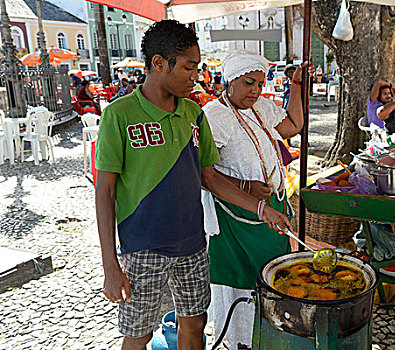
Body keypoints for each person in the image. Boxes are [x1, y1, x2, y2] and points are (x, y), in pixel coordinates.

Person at [94, 21, 292, 350]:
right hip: (143, 247)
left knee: (195, 323)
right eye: (188, 67)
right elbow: (105, 191)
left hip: (192, 244)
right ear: (159, 63)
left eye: (197, 68)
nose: (195, 76)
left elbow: (209, 177)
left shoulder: (193, 114)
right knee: (139, 333)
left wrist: (262, 209)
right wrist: (110, 266)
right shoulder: (120, 114)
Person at [203, 50, 312, 349]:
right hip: (236, 216)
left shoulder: (261, 106)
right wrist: (244, 186)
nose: (255, 90)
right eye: (249, 83)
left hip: (270, 209)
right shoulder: (215, 115)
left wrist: (298, 86)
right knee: (242, 280)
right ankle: (239, 341)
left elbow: (292, 126)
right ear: (230, 80)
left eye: (260, 84)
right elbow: (203, 174)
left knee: (273, 275)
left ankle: (271, 335)